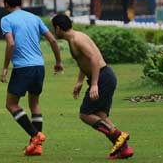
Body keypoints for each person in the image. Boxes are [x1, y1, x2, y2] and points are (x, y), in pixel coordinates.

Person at [52, 14, 134, 159]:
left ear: (58, 28)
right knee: (100, 115)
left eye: (54, 28)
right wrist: (80, 81)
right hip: (105, 76)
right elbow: (84, 62)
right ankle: (124, 149)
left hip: (103, 77)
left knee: (85, 113)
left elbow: (94, 59)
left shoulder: (76, 40)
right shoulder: (77, 36)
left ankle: (119, 135)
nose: (54, 32)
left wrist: (95, 84)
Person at [0, 0, 63, 156]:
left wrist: (5, 67)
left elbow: (11, 44)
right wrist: (58, 62)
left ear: (6, 4)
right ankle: (36, 147)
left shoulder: (6, 20)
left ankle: (35, 136)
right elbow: (53, 40)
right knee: (34, 103)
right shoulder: (34, 18)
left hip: (22, 68)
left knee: (11, 104)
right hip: (39, 67)